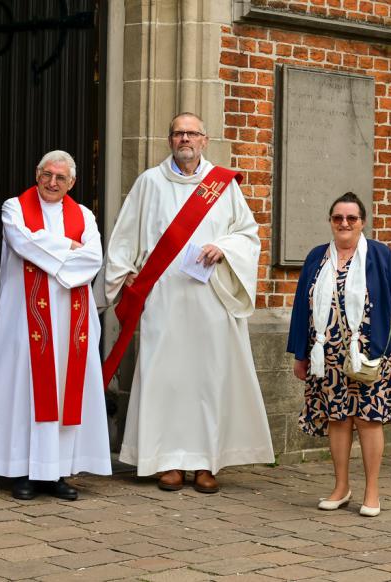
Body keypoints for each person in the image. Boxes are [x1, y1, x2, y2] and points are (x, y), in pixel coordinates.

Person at [102, 113, 274, 494]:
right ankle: (167, 461)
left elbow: (247, 234)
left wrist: (223, 248)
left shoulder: (223, 186)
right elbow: (124, 232)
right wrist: (125, 272)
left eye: (192, 133)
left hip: (209, 296)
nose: (185, 139)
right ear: (169, 140)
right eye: (178, 133)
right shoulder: (149, 182)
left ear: (204, 139)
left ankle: (205, 463)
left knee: (207, 381)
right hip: (164, 296)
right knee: (167, 379)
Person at [0, 151, 111, 501]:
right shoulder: (14, 208)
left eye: (60, 178)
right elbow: (22, 242)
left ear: (72, 182)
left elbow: (93, 257)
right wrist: (68, 247)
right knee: (24, 390)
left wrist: (53, 255)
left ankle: (56, 472)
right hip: (25, 318)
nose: (52, 183)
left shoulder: (84, 215)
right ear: (37, 174)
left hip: (69, 321)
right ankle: (23, 470)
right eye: (47, 174)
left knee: (65, 391)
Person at [287, 192, 391, 517]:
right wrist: (300, 353)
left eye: (351, 218)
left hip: (371, 355)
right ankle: (341, 487)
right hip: (325, 358)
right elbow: (302, 307)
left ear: (362, 222)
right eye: (338, 218)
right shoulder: (317, 257)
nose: (344, 223)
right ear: (331, 221)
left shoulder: (381, 256)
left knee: (369, 420)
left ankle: (372, 492)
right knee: (338, 421)